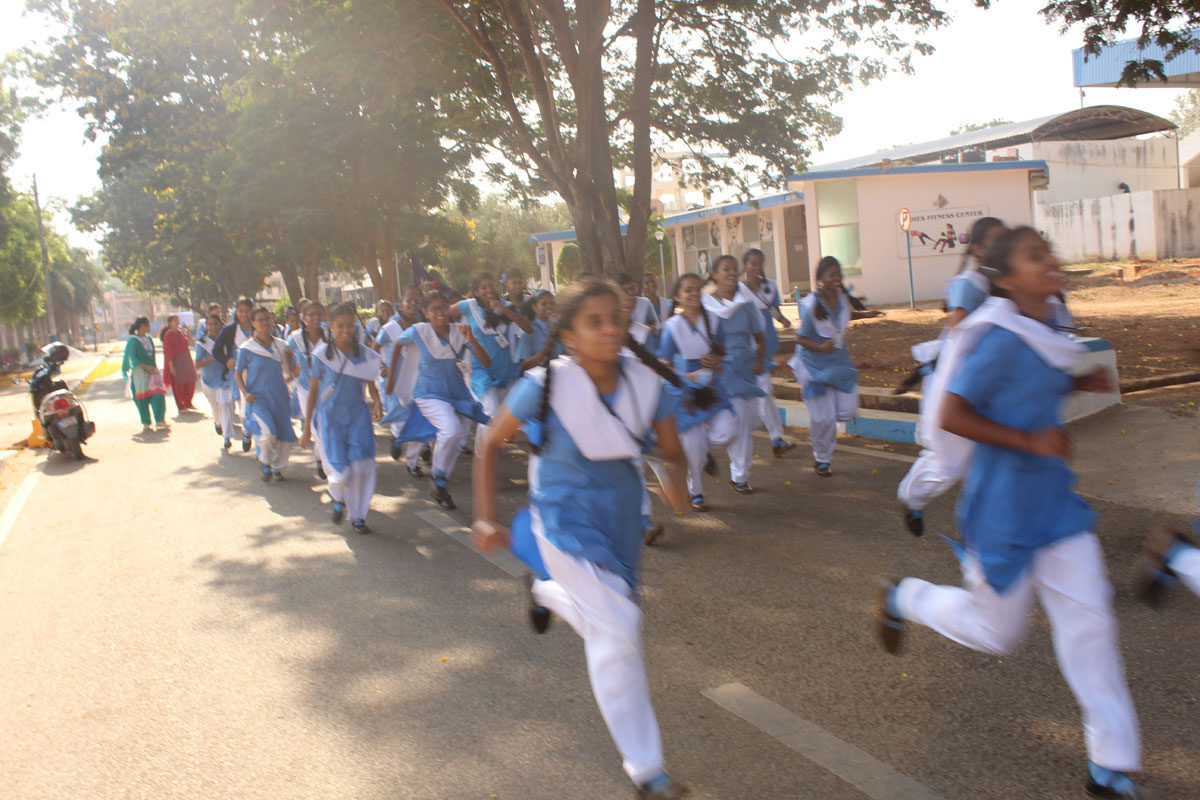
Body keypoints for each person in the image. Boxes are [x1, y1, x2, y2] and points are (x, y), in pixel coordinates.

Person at [877, 228, 1143, 800]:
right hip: (1002, 513)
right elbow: (951, 414)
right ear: (1005, 280)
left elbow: (1032, 387)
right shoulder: (998, 337)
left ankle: (1109, 764)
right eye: (1034, 256)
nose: (1051, 260)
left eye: (1049, 249)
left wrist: (1078, 380)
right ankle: (906, 597)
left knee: (1091, 628)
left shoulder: (1046, 328)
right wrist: (1031, 443)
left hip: (1055, 509)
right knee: (996, 635)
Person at [472, 278, 691, 800]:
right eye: (595, 322)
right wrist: (484, 517)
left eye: (616, 317)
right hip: (561, 523)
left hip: (619, 526)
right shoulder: (546, 384)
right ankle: (647, 772)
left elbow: (674, 451)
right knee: (619, 625)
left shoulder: (646, 384)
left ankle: (543, 593)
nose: (611, 328)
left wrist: (676, 482)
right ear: (568, 335)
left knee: (606, 622)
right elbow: (489, 445)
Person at [898, 217, 1008, 536]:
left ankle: (977, 526)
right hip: (958, 383)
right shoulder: (969, 283)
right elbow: (957, 335)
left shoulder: (1000, 282)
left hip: (987, 382)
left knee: (988, 457)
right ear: (977, 247)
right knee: (951, 463)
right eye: (994, 241)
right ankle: (911, 497)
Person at [391, 291, 491, 510]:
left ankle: (440, 479)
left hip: (457, 394)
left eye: (443, 307)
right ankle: (439, 481)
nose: (440, 313)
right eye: (434, 309)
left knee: (460, 435)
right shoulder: (419, 331)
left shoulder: (460, 332)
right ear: (425, 313)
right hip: (428, 394)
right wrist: (392, 378)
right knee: (452, 430)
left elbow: (486, 361)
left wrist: (471, 339)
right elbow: (398, 345)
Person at [300, 303, 384, 534]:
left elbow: (370, 383)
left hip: (358, 416)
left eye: (350, 325)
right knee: (341, 472)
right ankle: (338, 497)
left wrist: (377, 402)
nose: (346, 330)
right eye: (340, 325)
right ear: (331, 325)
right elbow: (314, 392)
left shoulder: (364, 354)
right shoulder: (321, 356)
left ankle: (358, 515)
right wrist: (307, 426)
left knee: (362, 466)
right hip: (330, 419)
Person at [658, 273, 737, 511]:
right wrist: (686, 377)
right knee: (692, 443)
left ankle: (704, 456)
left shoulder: (713, 320)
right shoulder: (672, 326)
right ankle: (696, 492)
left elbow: (722, 350)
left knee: (727, 432)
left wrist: (715, 359)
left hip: (712, 387)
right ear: (677, 296)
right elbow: (663, 364)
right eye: (688, 290)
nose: (693, 294)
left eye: (697, 289)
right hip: (684, 391)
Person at [790, 256, 869, 477]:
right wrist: (819, 347)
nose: (836, 278)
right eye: (831, 274)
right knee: (823, 417)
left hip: (839, 362)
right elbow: (800, 339)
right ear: (820, 279)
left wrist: (869, 314)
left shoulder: (842, 298)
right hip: (813, 366)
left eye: (838, 274)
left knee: (846, 410)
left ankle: (823, 438)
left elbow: (844, 316)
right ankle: (822, 458)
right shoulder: (812, 305)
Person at [702, 255, 765, 494]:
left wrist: (760, 360)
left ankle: (707, 447)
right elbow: (701, 341)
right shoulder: (706, 306)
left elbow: (760, 337)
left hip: (745, 370)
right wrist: (712, 359)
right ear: (714, 274)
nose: (731, 273)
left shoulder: (746, 305)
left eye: (734, 269)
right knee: (738, 421)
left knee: (747, 423)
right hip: (722, 372)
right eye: (726, 269)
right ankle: (739, 476)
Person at [451, 272, 533, 450]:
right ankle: (483, 457)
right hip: (481, 369)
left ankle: (490, 453)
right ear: (476, 291)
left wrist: (504, 310)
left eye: (491, 286)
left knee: (507, 416)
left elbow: (528, 328)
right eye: (484, 287)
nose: (489, 290)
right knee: (490, 412)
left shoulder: (508, 306)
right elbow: (445, 313)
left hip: (506, 369)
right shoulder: (469, 307)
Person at [739, 248, 795, 458]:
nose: (756, 267)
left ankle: (775, 437)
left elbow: (773, 309)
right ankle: (774, 437)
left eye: (759, 263)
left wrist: (783, 320)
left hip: (766, 346)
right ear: (745, 266)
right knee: (763, 389)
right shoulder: (738, 290)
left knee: (763, 389)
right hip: (747, 347)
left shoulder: (770, 286)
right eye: (752, 263)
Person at [235, 307, 297, 482]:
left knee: (284, 435)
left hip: (280, 396)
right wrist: (245, 393)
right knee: (268, 432)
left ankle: (278, 468)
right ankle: (265, 462)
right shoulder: (246, 349)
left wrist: (296, 370)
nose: (264, 323)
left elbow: (290, 368)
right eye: (259, 320)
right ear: (253, 323)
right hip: (258, 399)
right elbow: (238, 374)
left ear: (272, 321)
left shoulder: (281, 345)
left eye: (267, 319)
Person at [379, 287, 426, 473]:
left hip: (418, 381)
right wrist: (382, 368)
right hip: (395, 382)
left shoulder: (422, 327)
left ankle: (413, 463)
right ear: (401, 305)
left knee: (419, 419)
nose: (413, 305)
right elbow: (374, 348)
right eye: (409, 301)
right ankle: (396, 436)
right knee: (400, 420)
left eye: (416, 301)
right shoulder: (390, 328)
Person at [285, 301, 328, 478]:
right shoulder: (295, 338)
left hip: (326, 387)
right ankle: (321, 458)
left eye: (319, 314)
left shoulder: (329, 336)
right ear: (303, 318)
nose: (315, 318)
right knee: (314, 424)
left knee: (324, 423)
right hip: (305, 388)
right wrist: (290, 371)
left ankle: (322, 457)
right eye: (311, 314)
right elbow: (287, 353)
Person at [213, 298, 256, 452]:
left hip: (257, 372)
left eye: (247, 311)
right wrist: (226, 361)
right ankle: (246, 431)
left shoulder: (257, 327)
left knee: (256, 404)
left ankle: (254, 436)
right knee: (242, 405)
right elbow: (216, 350)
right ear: (236, 312)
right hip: (236, 373)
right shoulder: (229, 329)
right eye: (240, 311)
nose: (244, 314)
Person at [194, 313, 235, 451]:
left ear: (221, 325)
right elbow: (198, 364)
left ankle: (227, 437)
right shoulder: (203, 342)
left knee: (225, 404)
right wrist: (213, 358)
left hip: (225, 378)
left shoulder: (228, 340)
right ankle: (218, 422)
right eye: (210, 325)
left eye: (215, 324)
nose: (213, 327)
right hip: (209, 379)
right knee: (216, 407)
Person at [121, 317, 168, 432]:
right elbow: (133, 358)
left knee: (158, 395)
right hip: (140, 373)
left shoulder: (149, 338)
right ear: (142, 326)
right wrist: (146, 367)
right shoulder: (133, 341)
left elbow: (152, 355)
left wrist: (153, 368)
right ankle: (146, 422)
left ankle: (159, 420)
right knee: (142, 398)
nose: (150, 327)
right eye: (148, 325)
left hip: (152, 372)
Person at [161, 314, 199, 414]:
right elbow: (168, 351)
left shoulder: (180, 332)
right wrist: (171, 366)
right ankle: (181, 406)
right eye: (175, 320)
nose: (177, 322)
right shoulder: (168, 335)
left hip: (186, 361)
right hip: (176, 362)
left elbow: (190, 341)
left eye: (178, 320)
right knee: (178, 385)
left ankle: (188, 403)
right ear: (170, 323)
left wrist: (188, 330)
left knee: (191, 381)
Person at [517, 290, 561, 371]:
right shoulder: (528, 331)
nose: (549, 306)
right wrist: (545, 351)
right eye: (544, 304)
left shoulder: (560, 327)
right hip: (539, 380)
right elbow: (524, 365)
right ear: (534, 307)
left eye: (552, 303)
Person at [638, 273, 672, 355]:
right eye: (647, 283)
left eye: (653, 281)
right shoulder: (640, 306)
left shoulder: (666, 303)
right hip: (650, 347)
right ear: (642, 288)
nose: (651, 284)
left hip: (667, 345)